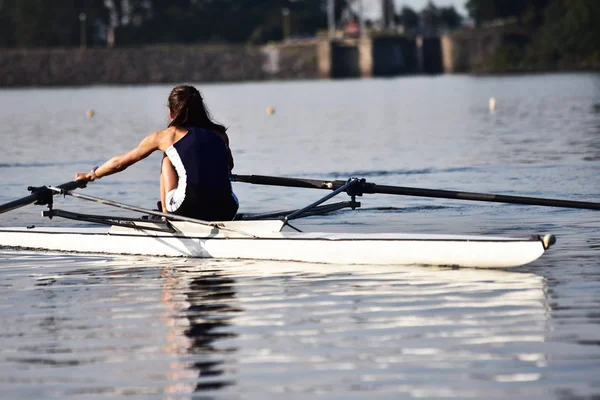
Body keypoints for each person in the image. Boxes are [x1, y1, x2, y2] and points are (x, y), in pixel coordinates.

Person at [75, 85, 238, 221]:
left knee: (168, 158)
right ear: (202, 110)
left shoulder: (167, 136)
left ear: (172, 113)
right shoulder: (220, 134)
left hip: (189, 208)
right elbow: (229, 167)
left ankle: (166, 216)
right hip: (227, 209)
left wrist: (91, 175)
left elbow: (120, 163)